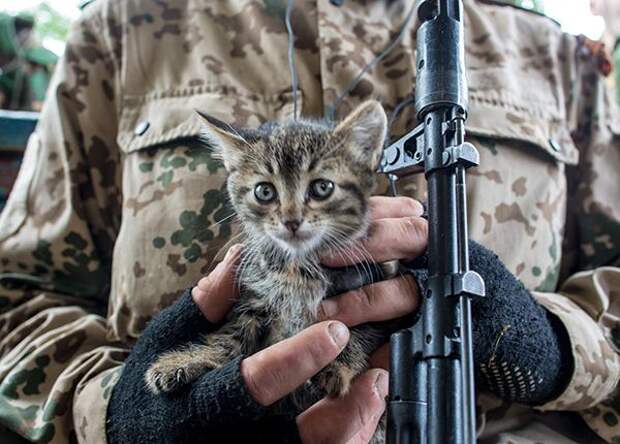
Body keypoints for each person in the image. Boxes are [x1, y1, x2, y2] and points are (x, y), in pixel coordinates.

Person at [0, 0, 618, 442]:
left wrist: (554, 348)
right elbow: (15, 298)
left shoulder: (554, 54)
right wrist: (112, 416)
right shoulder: (121, 29)